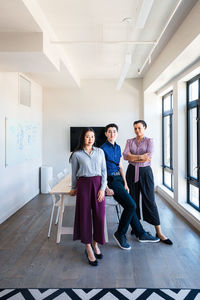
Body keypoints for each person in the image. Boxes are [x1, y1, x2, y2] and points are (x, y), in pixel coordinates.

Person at [101, 123, 159, 250]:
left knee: (130, 205)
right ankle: (120, 233)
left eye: (114, 131)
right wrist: (105, 187)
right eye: (109, 132)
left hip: (119, 179)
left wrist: (125, 183)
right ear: (106, 134)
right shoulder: (102, 149)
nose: (112, 134)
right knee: (131, 205)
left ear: (117, 133)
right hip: (110, 180)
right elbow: (101, 170)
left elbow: (121, 166)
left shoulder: (118, 147)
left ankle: (141, 233)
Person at [123, 120, 173, 245]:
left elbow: (148, 156)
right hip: (131, 172)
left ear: (144, 128)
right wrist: (140, 157)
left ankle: (159, 232)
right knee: (132, 200)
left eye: (139, 128)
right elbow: (125, 156)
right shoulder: (130, 141)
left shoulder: (150, 141)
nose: (137, 130)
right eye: (135, 128)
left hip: (145, 173)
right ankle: (136, 227)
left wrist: (133, 157)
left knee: (150, 200)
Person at [69, 128, 107, 266]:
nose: (90, 139)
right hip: (83, 185)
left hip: (98, 185)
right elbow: (74, 174)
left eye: (92, 136)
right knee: (84, 217)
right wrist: (74, 188)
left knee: (99, 216)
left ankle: (95, 243)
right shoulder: (76, 155)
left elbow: (104, 171)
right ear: (83, 138)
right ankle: (88, 247)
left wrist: (102, 188)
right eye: (87, 136)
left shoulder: (100, 152)